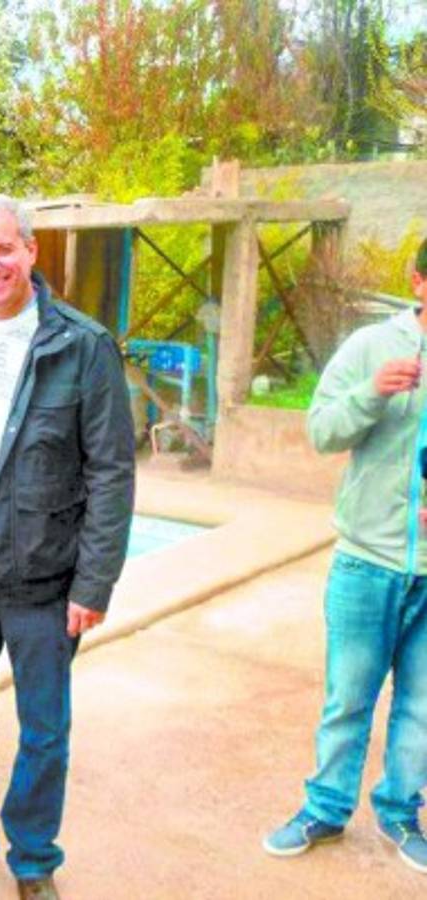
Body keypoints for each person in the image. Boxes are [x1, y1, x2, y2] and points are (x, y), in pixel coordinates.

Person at [0, 194, 136, 900]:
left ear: (30, 250)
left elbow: (111, 471)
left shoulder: (82, 346)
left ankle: (34, 860)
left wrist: (94, 583)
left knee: (43, 729)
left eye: (1, 248)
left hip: (44, 582)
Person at [263, 237, 427, 875]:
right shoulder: (369, 347)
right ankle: (325, 809)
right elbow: (321, 430)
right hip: (366, 561)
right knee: (348, 700)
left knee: (422, 707)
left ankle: (401, 812)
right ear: (418, 282)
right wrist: (372, 393)